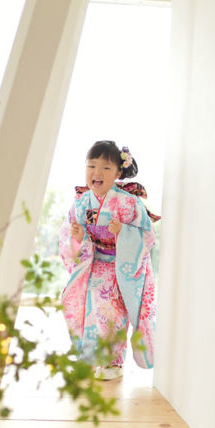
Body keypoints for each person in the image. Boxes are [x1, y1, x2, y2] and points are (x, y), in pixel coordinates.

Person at [59, 140, 159, 380]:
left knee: (112, 311)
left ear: (117, 172)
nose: (97, 173)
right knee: (89, 310)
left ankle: (113, 363)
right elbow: (69, 235)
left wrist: (123, 232)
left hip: (121, 267)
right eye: (91, 166)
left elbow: (147, 234)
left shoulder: (129, 202)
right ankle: (91, 359)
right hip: (93, 265)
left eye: (105, 168)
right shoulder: (82, 203)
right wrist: (79, 237)